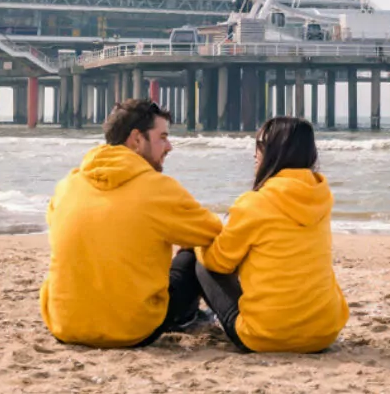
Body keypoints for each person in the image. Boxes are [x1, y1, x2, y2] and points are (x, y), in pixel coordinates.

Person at [40, 99, 222, 348]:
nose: (169, 147)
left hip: (65, 326)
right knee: (192, 251)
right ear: (136, 140)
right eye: (162, 137)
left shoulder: (67, 185)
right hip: (133, 330)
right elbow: (214, 232)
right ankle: (187, 317)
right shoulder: (158, 189)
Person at [192, 117, 348, 353]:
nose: (256, 152)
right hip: (324, 334)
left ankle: (182, 318)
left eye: (262, 144)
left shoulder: (254, 204)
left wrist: (196, 244)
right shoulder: (321, 198)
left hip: (266, 336)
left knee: (201, 262)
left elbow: (218, 263)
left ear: (276, 152)